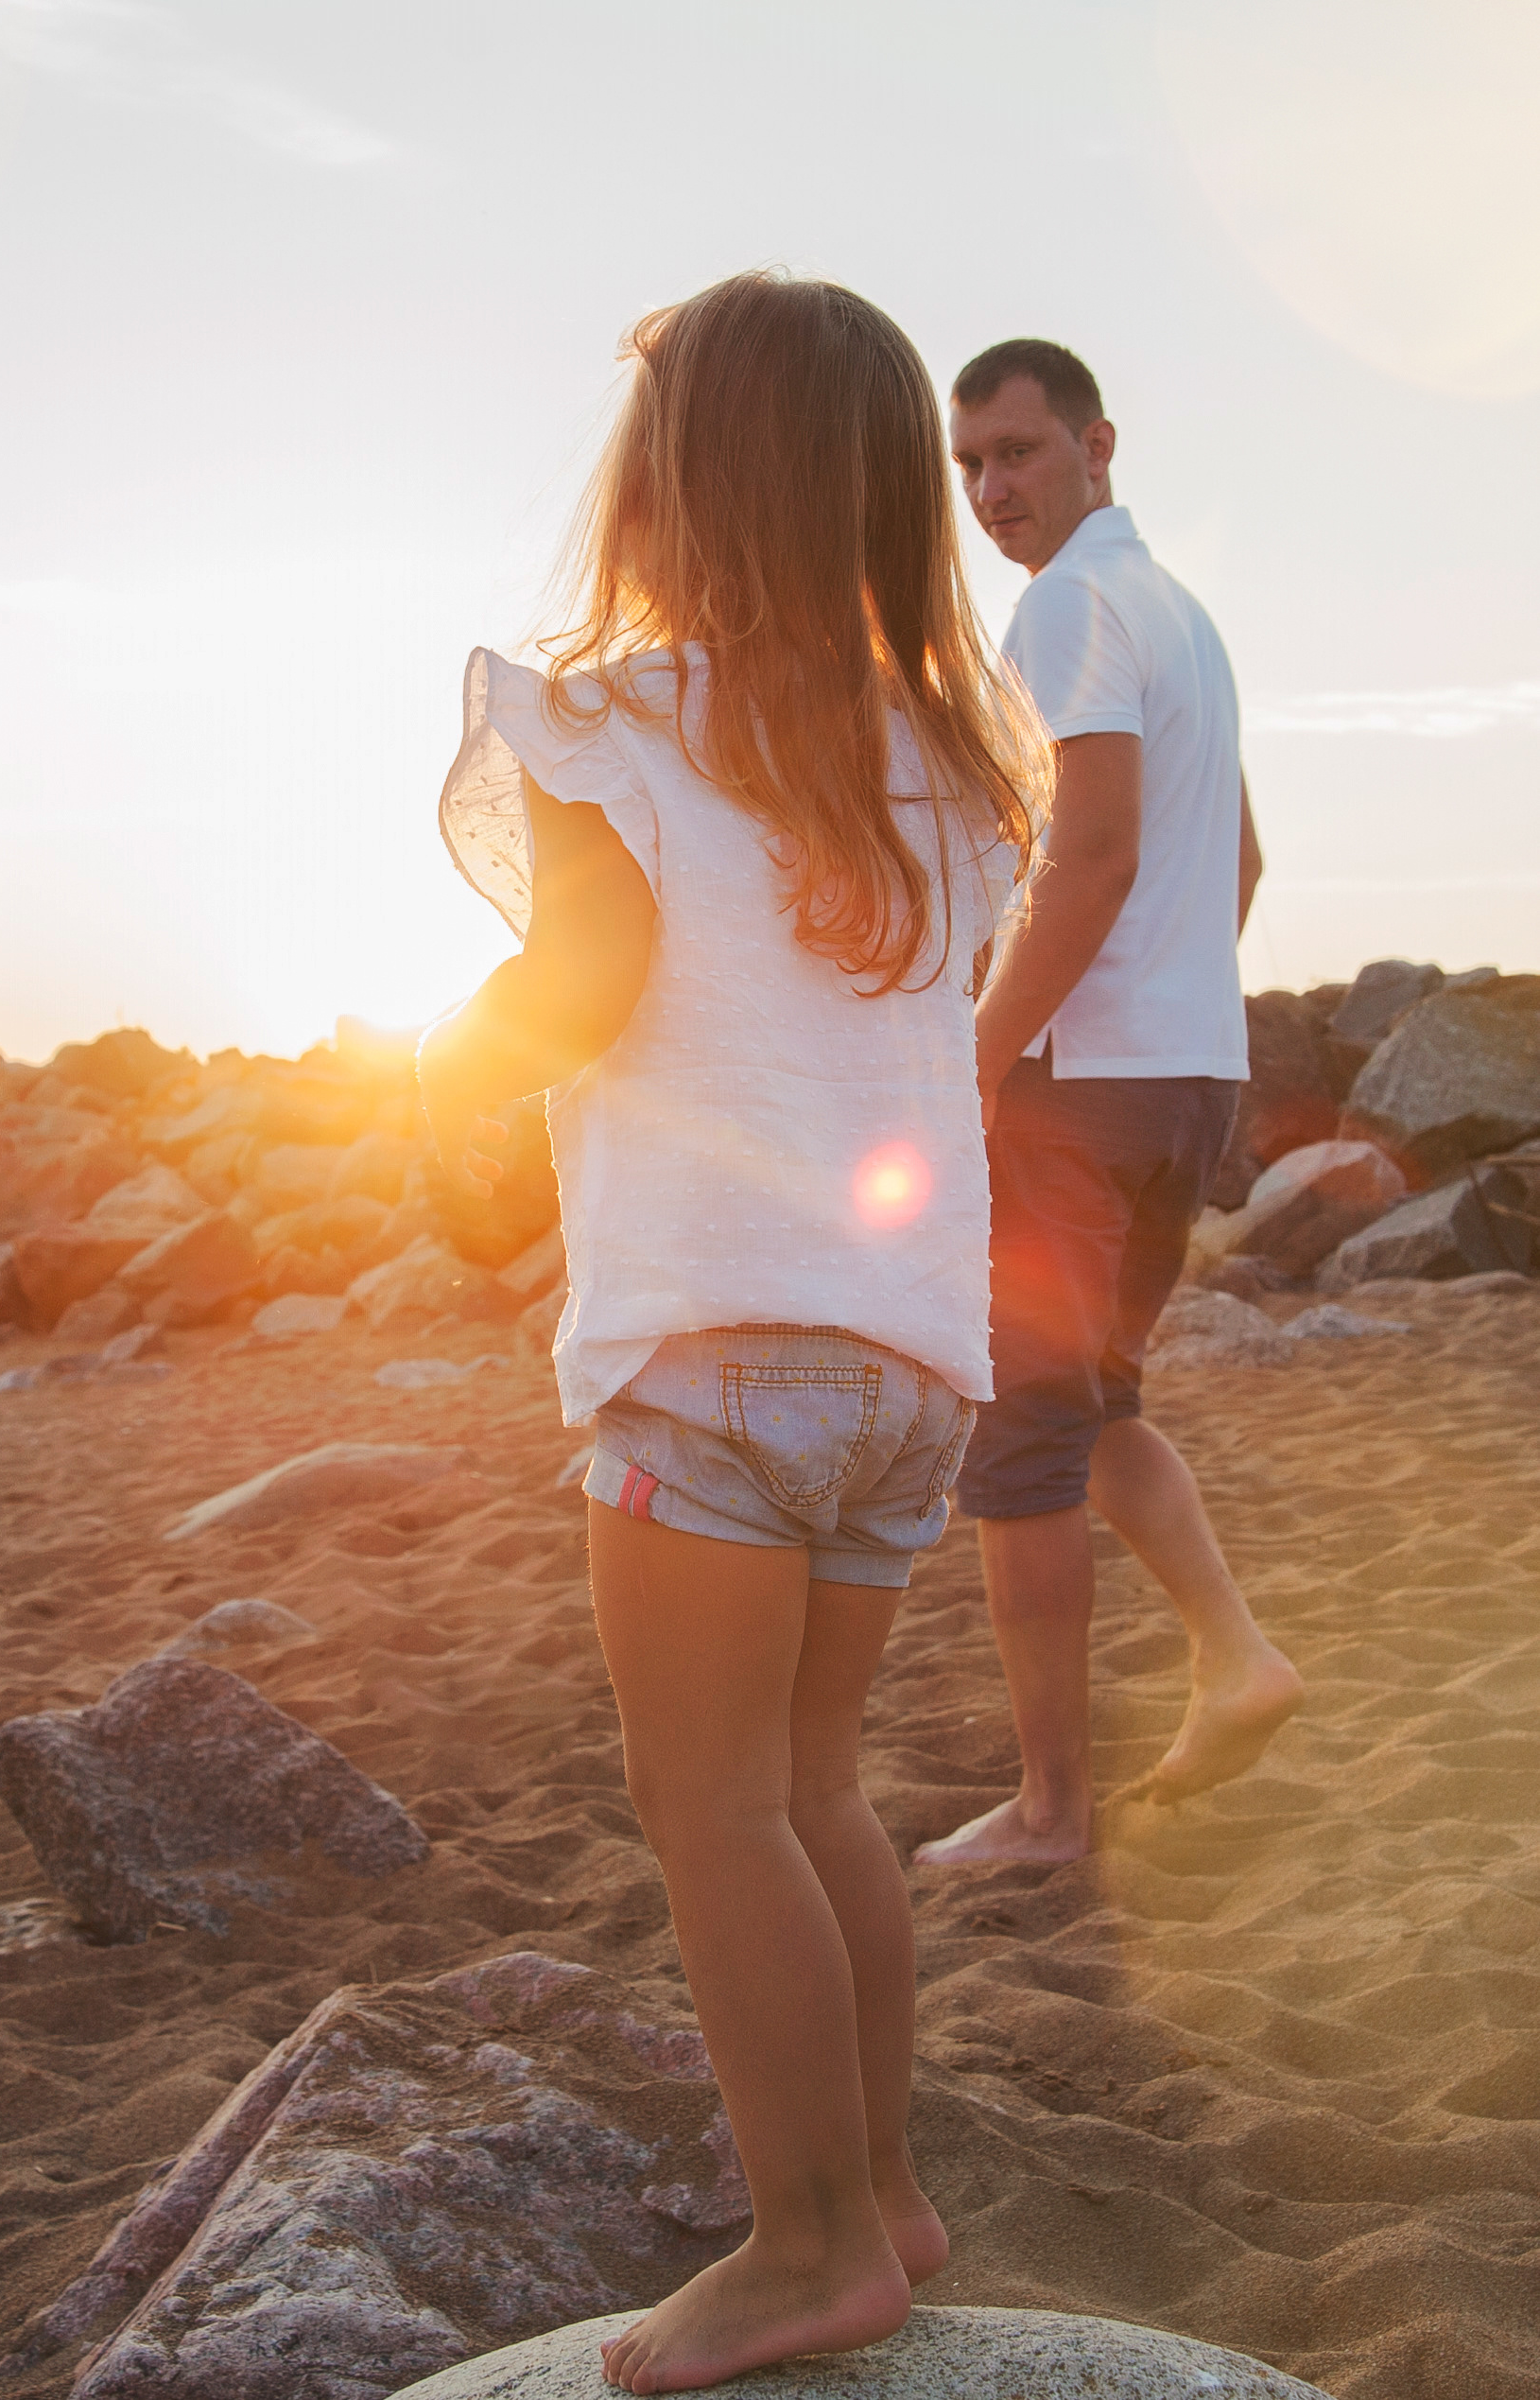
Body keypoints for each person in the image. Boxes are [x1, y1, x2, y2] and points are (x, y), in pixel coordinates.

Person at [417, 272, 1045, 2395]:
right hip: (905, 1365)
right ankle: (881, 2185)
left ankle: (802, 2247)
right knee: (814, 1788)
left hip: (705, 1350)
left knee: (706, 1808)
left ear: (674, 483)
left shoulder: (618, 722)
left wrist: (436, 1076)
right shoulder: (946, 763)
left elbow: (576, 990)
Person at [916, 339, 1305, 1870]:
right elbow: (1245, 865)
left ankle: (1050, 1812)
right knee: (1098, 1415)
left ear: (1097, 446)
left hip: (1083, 1094)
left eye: (1017, 454)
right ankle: (1239, 1656)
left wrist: (973, 1057)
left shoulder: (1068, 603)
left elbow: (1093, 856)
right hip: (1189, 1075)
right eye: (970, 467)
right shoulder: (1181, 614)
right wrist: (1172, 1014)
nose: (992, 492)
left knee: (1019, 1449)